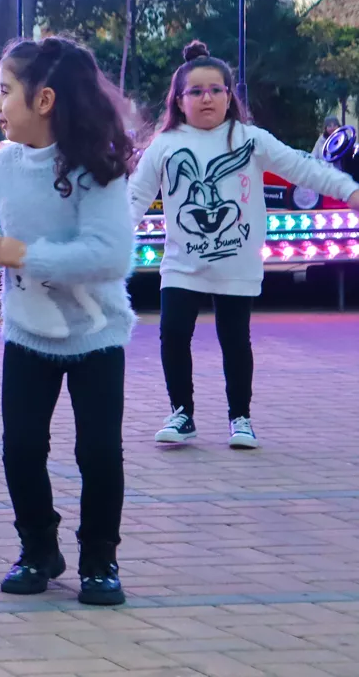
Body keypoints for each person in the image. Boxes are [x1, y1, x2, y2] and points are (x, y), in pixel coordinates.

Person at [0, 36, 136, 607]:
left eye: (5, 91)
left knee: (98, 453)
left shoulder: (97, 166)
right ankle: (38, 549)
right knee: (20, 449)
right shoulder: (4, 164)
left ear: (44, 100)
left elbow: (111, 255)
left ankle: (99, 560)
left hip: (95, 334)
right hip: (27, 330)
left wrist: (23, 254)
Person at [130, 42, 359, 450]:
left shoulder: (250, 139)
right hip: (182, 265)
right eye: (195, 91)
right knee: (172, 333)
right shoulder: (164, 146)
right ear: (179, 101)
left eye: (216, 90)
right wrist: (106, 241)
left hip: (236, 263)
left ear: (229, 96)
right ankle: (182, 413)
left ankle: (241, 418)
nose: (207, 98)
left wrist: (350, 191)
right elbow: (134, 199)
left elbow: (302, 167)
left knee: (234, 339)